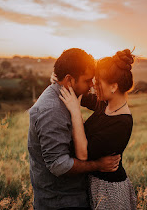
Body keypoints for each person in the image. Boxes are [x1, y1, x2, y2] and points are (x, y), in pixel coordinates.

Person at [28, 48, 121, 210]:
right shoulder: (51, 111)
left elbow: (108, 103)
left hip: (71, 196)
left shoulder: (68, 93)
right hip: (60, 202)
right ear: (69, 80)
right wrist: (98, 165)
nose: (92, 84)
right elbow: (59, 165)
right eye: (87, 80)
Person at [59, 49, 137, 209]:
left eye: (98, 82)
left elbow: (82, 153)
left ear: (114, 86)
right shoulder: (106, 105)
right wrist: (62, 79)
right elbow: (83, 96)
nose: (93, 86)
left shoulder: (121, 124)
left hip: (109, 192)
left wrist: (75, 111)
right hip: (93, 184)